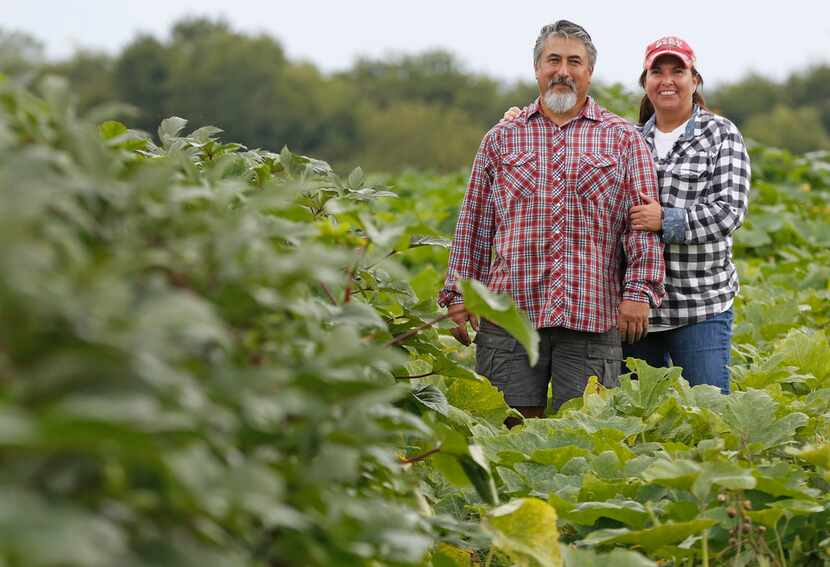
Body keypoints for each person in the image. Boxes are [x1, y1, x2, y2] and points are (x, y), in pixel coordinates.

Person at [439, 20, 665, 424]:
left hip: (592, 313)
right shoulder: (501, 138)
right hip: (509, 312)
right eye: (553, 60)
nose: (563, 70)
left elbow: (642, 227)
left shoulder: (623, 139)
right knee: (505, 427)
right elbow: (474, 221)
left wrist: (639, 292)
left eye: (574, 61)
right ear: (537, 69)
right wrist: (457, 293)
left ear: (589, 72)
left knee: (585, 432)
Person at [503, 36, 751, 394]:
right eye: (657, 72)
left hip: (699, 305)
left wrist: (664, 219)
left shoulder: (721, 134)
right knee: (639, 415)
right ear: (645, 82)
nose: (667, 80)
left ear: (694, 81)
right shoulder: (627, 137)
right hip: (635, 309)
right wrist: (520, 119)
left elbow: (729, 213)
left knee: (708, 407)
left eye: (678, 71)